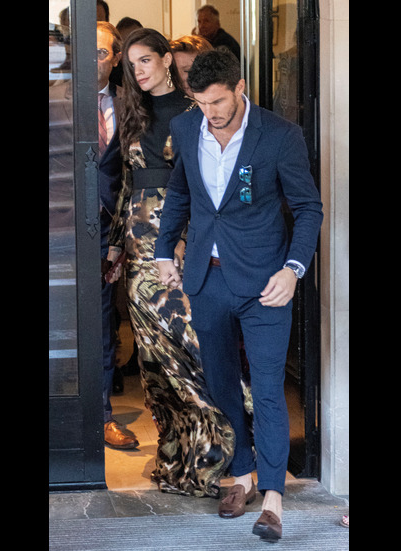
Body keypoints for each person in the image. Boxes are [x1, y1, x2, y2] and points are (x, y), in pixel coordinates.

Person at [155, 49, 323, 542]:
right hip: (207, 279)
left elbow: (308, 207)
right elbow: (180, 192)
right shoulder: (187, 127)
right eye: (201, 103)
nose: (210, 112)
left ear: (240, 87)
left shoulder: (280, 135)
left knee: (268, 387)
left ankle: (272, 500)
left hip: (266, 282)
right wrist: (165, 251)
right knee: (222, 382)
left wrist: (293, 270)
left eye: (219, 101)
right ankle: (243, 473)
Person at [101, 28, 236, 498]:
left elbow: (210, 184)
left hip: (183, 242)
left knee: (194, 350)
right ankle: (178, 455)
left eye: (145, 60)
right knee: (155, 361)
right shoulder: (132, 112)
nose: (138, 70)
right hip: (140, 249)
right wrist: (115, 246)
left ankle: (221, 454)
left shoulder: (195, 111)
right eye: (131, 63)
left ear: (165, 60)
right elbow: (125, 184)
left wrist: (190, 240)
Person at [94, 22, 138, 451]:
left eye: (102, 54)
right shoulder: (54, 99)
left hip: (109, 227)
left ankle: (103, 416)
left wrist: (122, 235)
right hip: (61, 227)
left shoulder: (130, 104)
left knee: (104, 323)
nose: (93, 61)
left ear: (116, 58)